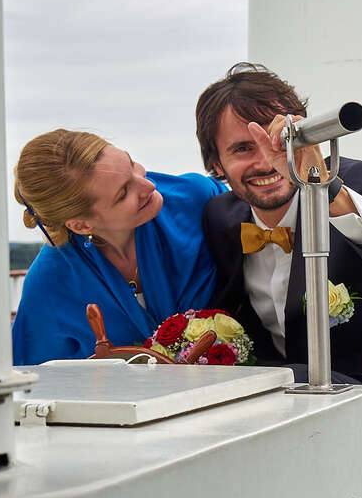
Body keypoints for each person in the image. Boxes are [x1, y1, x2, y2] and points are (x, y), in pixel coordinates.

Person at [196, 63, 362, 486]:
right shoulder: (220, 218)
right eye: (242, 149)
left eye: (279, 141)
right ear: (216, 163)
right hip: (292, 419)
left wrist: (327, 189)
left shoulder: (360, 182)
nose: (266, 161)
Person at [11, 129, 223, 365]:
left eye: (131, 165)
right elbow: (34, 378)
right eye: (123, 193)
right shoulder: (49, 284)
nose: (148, 185)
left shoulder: (198, 200)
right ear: (81, 225)